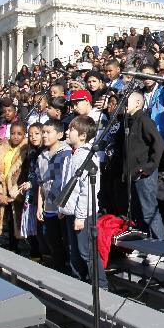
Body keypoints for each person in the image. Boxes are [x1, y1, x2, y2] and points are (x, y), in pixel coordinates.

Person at [59, 116, 108, 289]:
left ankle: (100, 285)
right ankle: (79, 284)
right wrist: (62, 206)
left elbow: (88, 190)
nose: (66, 132)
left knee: (86, 252)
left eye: (71, 129)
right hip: (70, 211)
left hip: (83, 214)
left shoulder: (86, 157)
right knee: (73, 251)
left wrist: (80, 216)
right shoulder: (70, 155)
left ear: (82, 135)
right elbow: (67, 184)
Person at [117, 92, 164, 253]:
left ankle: (160, 246)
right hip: (131, 175)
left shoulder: (144, 120)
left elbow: (158, 144)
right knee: (137, 211)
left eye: (127, 102)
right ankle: (145, 243)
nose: (123, 105)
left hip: (143, 174)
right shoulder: (127, 122)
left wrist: (149, 167)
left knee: (149, 210)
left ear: (138, 103)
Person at [36, 119, 72, 273]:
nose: (44, 135)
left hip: (61, 208)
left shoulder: (66, 154)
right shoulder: (42, 156)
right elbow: (41, 183)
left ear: (59, 134)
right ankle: (58, 271)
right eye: (43, 132)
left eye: (48, 132)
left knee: (67, 242)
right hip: (48, 207)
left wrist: (62, 206)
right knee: (53, 242)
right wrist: (39, 206)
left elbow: (65, 182)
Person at [0, 121, 28, 246]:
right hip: (2, 195)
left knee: (18, 231)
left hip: (17, 197)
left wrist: (15, 193)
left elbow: (25, 174)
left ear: (24, 135)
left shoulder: (26, 151)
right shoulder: (0, 149)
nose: (15, 136)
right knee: (3, 231)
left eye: (19, 134)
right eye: (13, 133)